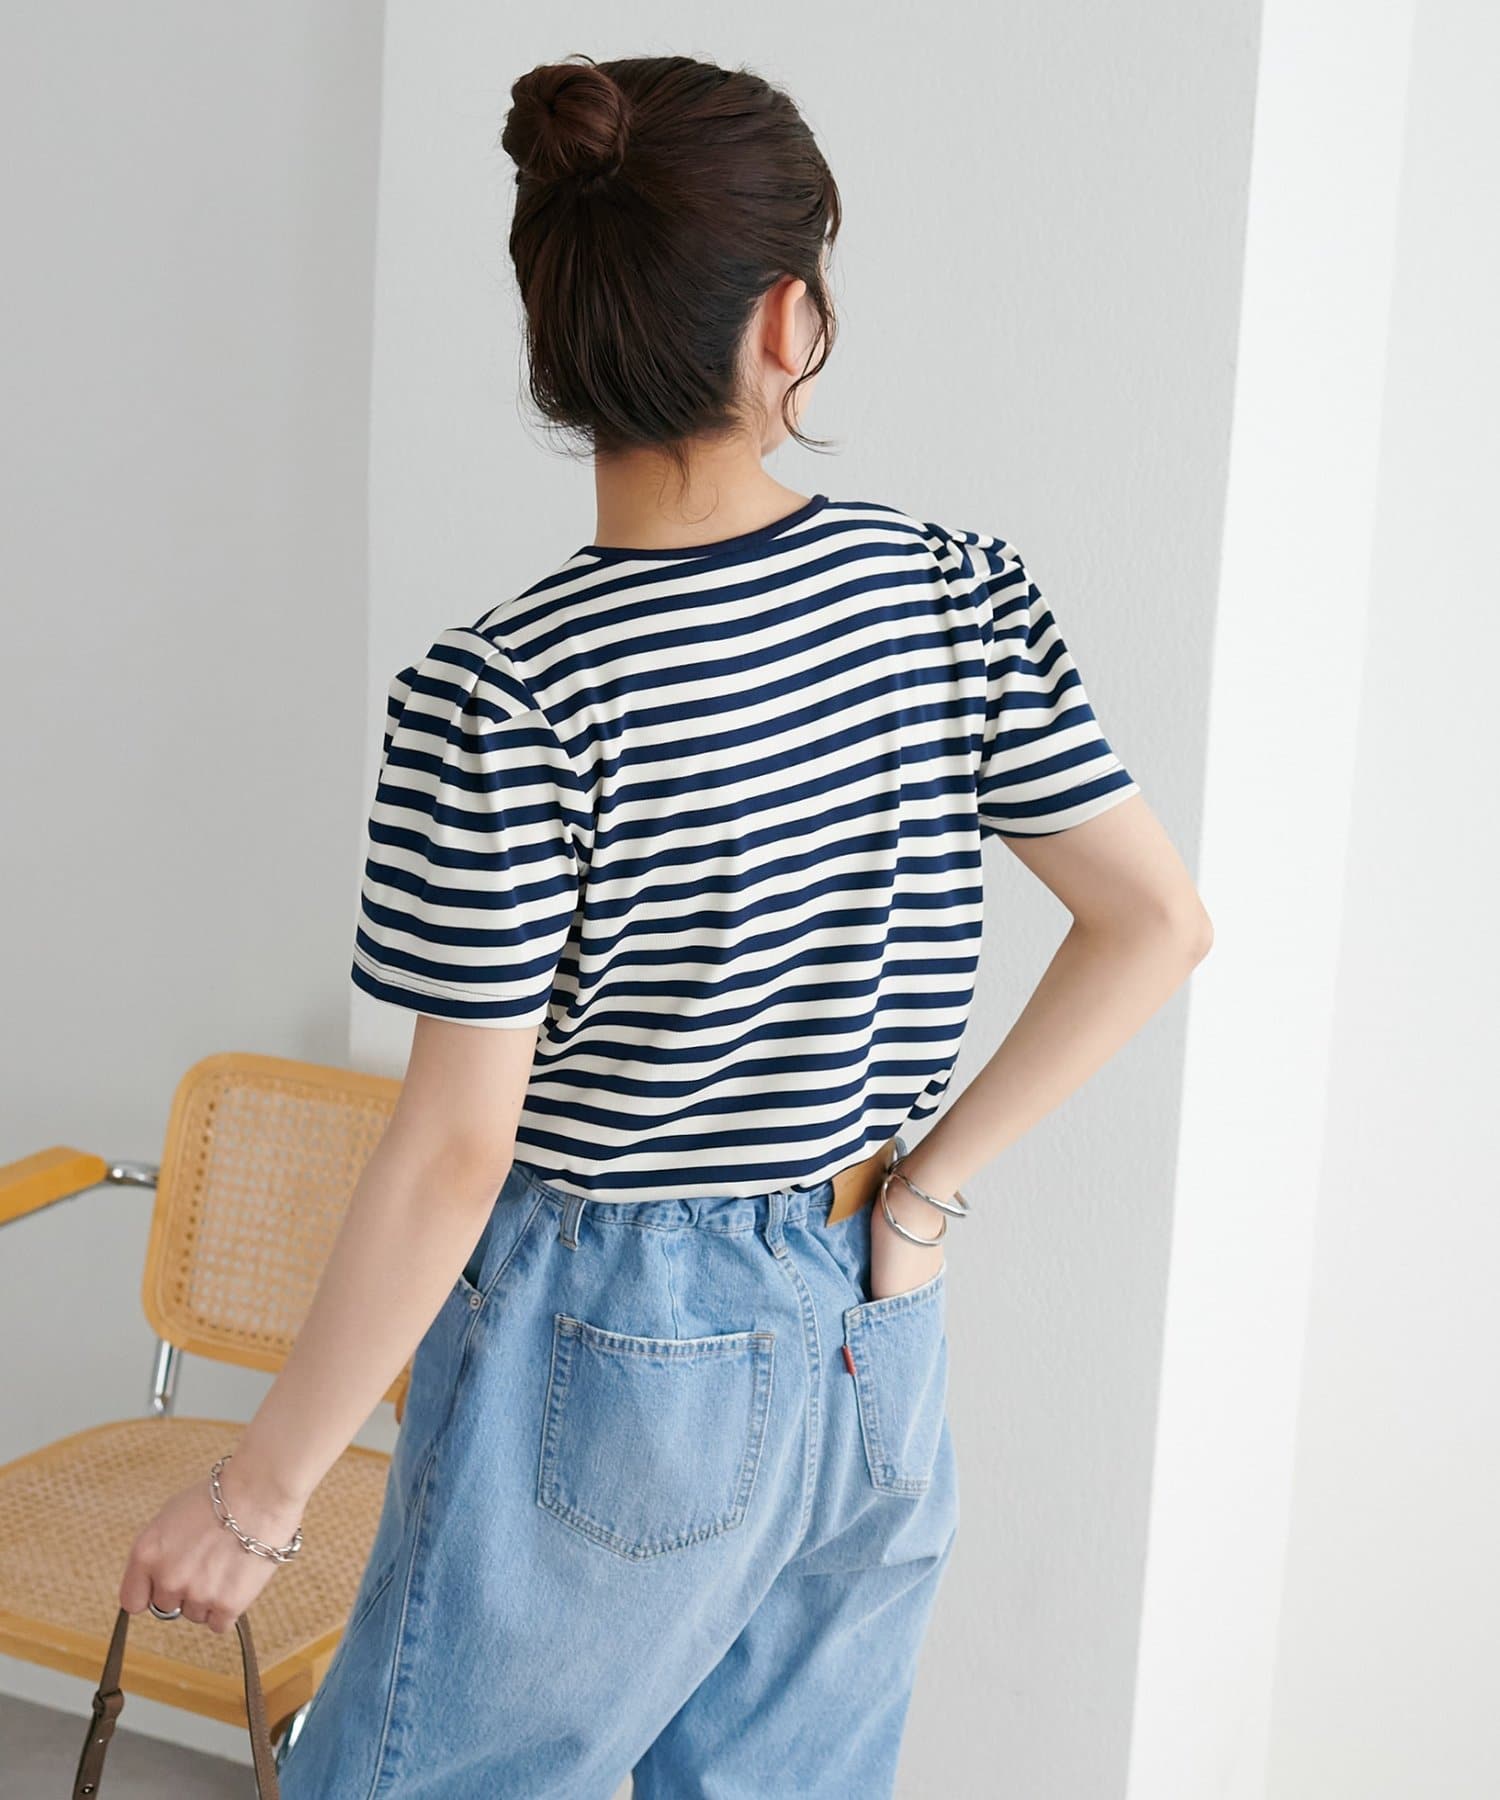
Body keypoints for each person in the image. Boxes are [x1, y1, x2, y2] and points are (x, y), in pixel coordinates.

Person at [118, 51, 1211, 1798]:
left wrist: (258, 1501)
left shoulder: (510, 691)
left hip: (610, 1345)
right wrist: (923, 1192)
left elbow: (457, 1144)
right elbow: (1154, 920)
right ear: (789, 320)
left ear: (556, 338)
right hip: (874, 1325)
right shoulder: (950, 593)